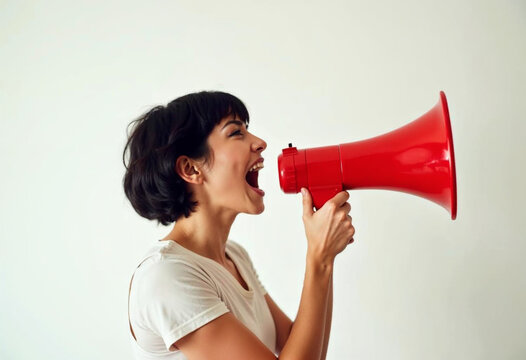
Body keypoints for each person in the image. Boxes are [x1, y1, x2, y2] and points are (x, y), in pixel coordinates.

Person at [123, 91, 355, 360]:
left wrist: (325, 256)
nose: (260, 143)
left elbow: (300, 347)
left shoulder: (234, 257)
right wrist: (320, 259)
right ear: (190, 169)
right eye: (236, 133)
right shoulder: (166, 277)